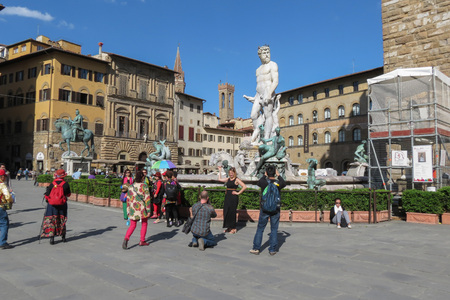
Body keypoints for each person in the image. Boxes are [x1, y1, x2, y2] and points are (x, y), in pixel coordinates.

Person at [243, 45, 279, 144]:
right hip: (258, 94)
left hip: (268, 92)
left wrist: (269, 94)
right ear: (259, 55)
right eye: (264, 53)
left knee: (268, 115)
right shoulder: (258, 70)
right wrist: (254, 98)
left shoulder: (272, 65)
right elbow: (259, 84)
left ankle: (266, 137)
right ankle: (259, 132)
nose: (267, 55)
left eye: (268, 52)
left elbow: (275, 81)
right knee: (253, 115)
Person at [250, 165, 286, 256]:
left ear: (266, 172)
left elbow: (258, 182)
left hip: (264, 209)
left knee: (260, 229)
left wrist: (264, 175)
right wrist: (278, 175)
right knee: (274, 229)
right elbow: (284, 183)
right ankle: (272, 249)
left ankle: (256, 248)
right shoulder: (277, 183)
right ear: (275, 172)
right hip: (275, 209)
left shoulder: (263, 182)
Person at [122, 171, 151, 249]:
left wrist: (128, 210)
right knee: (144, 223)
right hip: (142, 208)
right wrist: (148, 210)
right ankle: (142, 240)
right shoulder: (144, 186)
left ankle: (126, 239)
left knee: (133, 225)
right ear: (142, 177)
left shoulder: (131, 186)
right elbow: (147, 199)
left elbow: (128, 199)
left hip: (133, 208)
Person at [42, 169, 71, 245]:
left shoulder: (52, 184)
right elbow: (68, 194)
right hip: (62, 204)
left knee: (52, 220)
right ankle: (63, 237)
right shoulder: (65, 184)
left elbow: (47, 195)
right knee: (62, 220)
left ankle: (52, 238)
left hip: (52, 205)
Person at [217, 166, 247, 234]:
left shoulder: (237, 179)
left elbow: (244, 186)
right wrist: (220, 170)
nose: (231, 174)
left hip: (233, 197)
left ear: (234, 173)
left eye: (232, 173)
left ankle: (233, 228)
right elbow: (220, 179)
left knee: (232, 212)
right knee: (226, 211)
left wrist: (238, 193)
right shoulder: (228, 179)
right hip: (227, 197)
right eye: (230, 173)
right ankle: (228, 227)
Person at [0, 169, 13, 249]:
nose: (5, 178)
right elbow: (7, 196)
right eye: (4, 176)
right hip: (0, 207)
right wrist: (10, 200)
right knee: (4, 224)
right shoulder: (2, 185)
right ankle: (3, 242)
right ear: (2, 177)